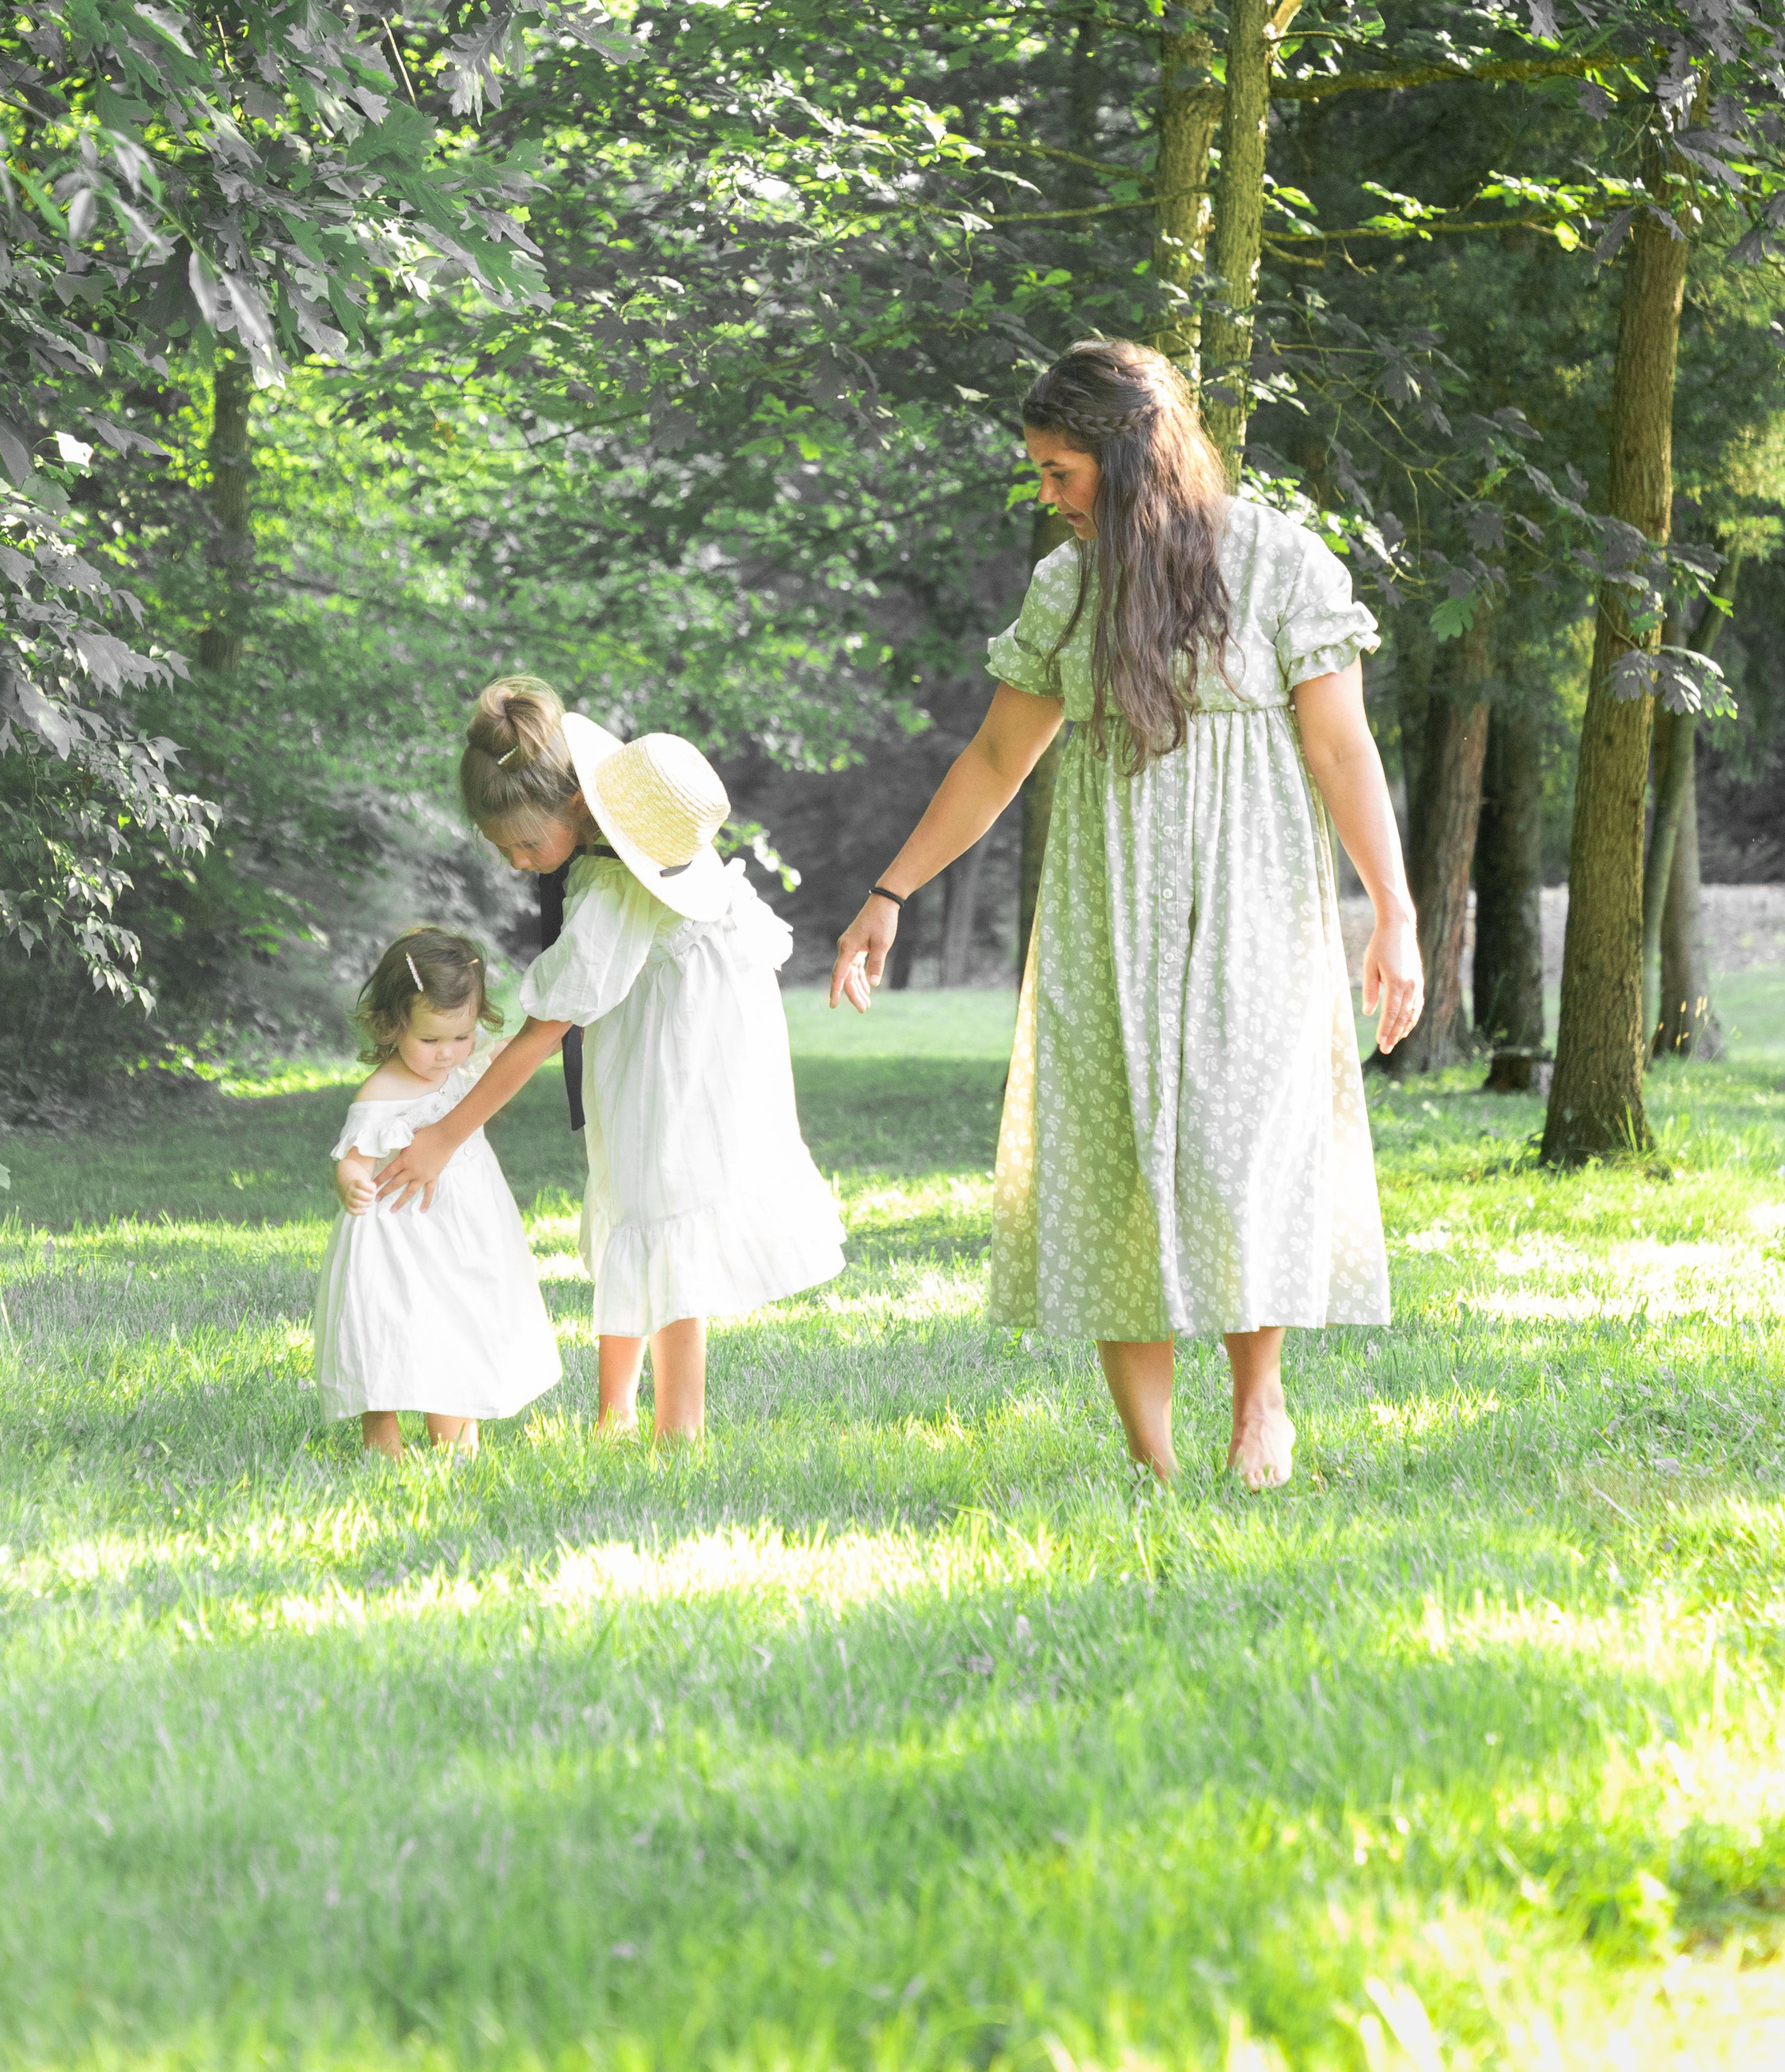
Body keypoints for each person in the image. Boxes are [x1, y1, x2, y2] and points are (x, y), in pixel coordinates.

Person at [830, 339, 1422, 1490]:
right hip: (1108, 905)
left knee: (1242, 1141)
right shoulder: (1070, 586)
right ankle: (1152, 1467)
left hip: (1252, 894)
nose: (1048, 499)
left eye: (1061, 471)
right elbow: (1000, 754)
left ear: (1131, 454)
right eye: (1042, 475)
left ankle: (1261, 1406)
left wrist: (1391, 911)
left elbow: (1342, 747)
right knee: (1111, 1161)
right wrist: (886, 894)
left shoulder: (1279, 561)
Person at [374, 678, 845, 1439]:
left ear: (578, 807)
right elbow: (561, 1005)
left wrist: (443, 1137)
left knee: (663, 1199)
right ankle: (613, 1412)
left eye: (528, 845)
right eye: (505, 849)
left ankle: (677, 1427)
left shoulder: (618, 885)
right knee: (626, 1189)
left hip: (690, 1041)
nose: (521, 862)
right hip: (654, 1024)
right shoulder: (599, 859)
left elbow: (544, 1029)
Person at [313, 927, 562, 1457]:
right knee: (392, 1324)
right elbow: (353, 1158)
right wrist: (352, 1184)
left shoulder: (464, 1070)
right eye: (429, 1041)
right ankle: (382, 1437)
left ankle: (455, 1435)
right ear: (389, 1026)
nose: (447, 1054)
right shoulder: (382, 1092)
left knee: (457, 1317)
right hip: (399, 1236)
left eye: (461, 1037)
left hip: (460, 1231)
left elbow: (526, 1052)